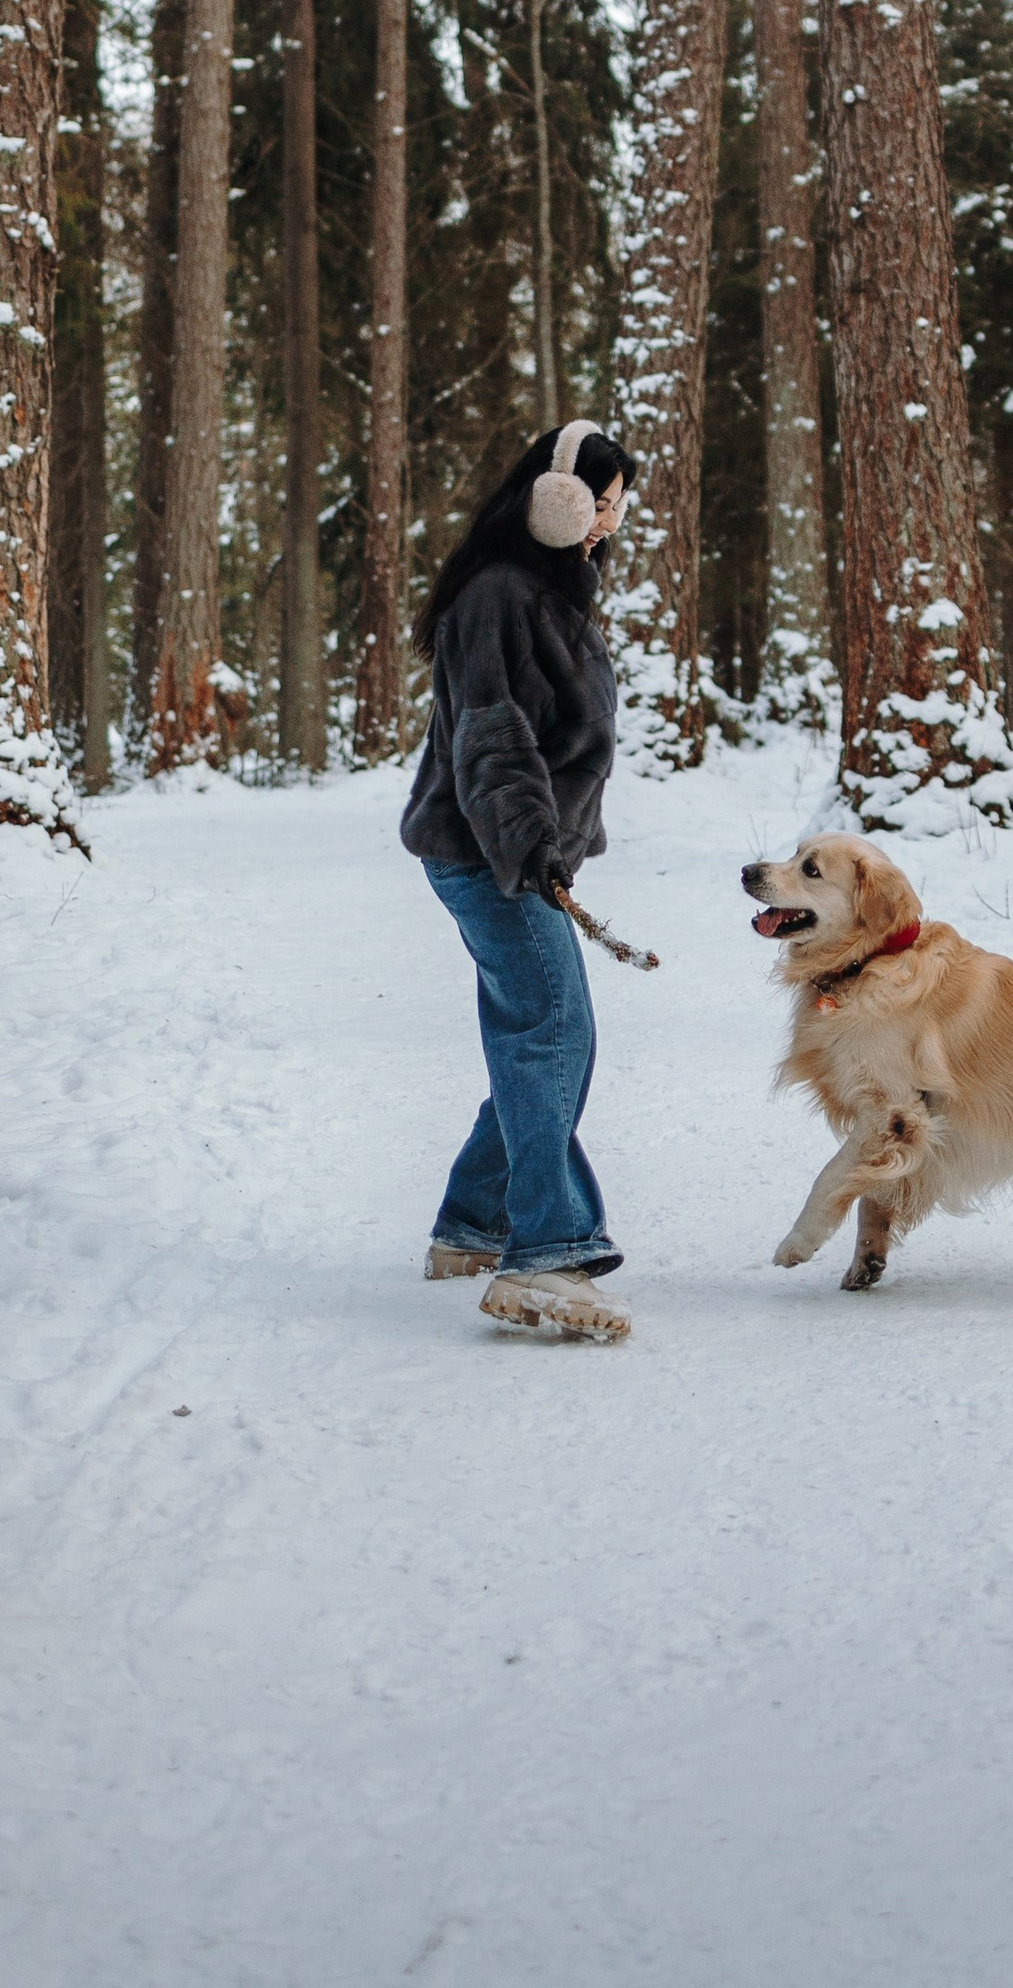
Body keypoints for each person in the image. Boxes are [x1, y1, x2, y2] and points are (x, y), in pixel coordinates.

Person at [400, 418, 638, 1343]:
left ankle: (473, 1225)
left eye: (615, 507)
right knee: (551, 1035)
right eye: (598, 501)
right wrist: (531, 844)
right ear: (554, 497)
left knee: (542, 1037)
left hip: (512, 854)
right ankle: (546, 1252)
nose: (606, 522)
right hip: (491, 854)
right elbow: (492, 734)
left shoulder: (544, 593)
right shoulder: (499, 593)